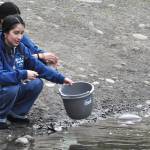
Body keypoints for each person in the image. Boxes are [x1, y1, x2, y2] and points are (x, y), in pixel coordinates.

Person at [0, 14, 73, 129]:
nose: (19, 37)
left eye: (22, 33)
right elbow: (1, 77)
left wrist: (62, 79)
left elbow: (38, 66)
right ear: (5, 33)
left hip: (6, 88)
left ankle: (15, 113)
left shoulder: (20, 47)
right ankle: (1, 117)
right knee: (12, 86)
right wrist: (23, 74)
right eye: (16, 32)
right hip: (4, 86)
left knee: (36, 83)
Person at [0, 1, 59, 67]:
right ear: (1, 19)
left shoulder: (17, 34)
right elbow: (13, 62)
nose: (16, 22)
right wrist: (40, 56)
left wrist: (47, 57)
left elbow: (33, 48)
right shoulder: (8, 36)